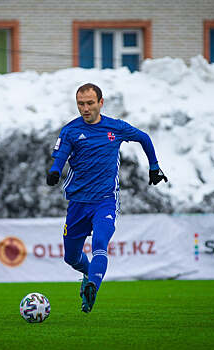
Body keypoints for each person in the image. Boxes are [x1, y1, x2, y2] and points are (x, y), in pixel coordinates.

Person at [46, 83, 168, 313]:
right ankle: (87, 273)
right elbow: (61, 155)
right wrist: (54, 170)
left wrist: (154, 166)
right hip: (78, 203)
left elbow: (144, 138)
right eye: (81, 104)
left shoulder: (115, 127)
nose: (85, 108)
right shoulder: (70, 130)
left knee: (100, 243)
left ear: (101, 103)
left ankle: (93, 285)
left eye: (90, 103)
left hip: (105, 200)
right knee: (71, 257)